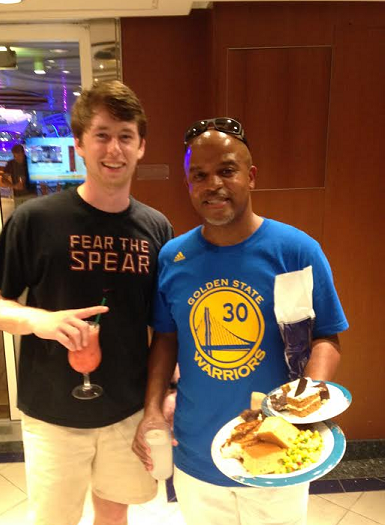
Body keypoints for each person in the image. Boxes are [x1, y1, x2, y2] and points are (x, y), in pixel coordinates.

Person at [132, 117, 348, 525]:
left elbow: (327, 337)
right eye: (200, 175)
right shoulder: (173, 258)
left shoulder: (296, 251)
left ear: (251, 177)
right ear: (188, 185)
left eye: (227, 170)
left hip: (279, 451)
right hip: (197, 454)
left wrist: (303, 409)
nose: (213, 184)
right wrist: (152, 409)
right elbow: (165, 339)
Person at [0, 80, 173, 525]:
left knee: (114, 516)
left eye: (125, 136)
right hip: (52, 413)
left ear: (141, 146)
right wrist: (41, 322)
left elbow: (164, 324)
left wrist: (166, 394)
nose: (114, 149)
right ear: (80, 144)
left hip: (126, 408)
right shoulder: (35, 219)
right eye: (102, 135)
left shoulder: (156, 228)